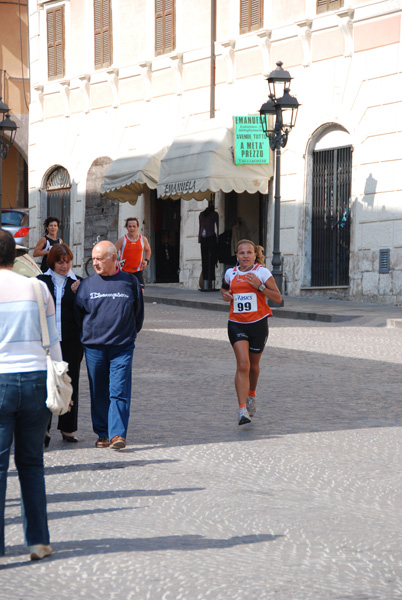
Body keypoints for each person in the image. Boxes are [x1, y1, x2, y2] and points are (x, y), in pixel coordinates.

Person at [0, 229, 61, 560]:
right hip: (37, 378)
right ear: (16, 256)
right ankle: (38, 541)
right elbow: (54, 339)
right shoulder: (38, 288)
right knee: (32, 464)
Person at [75, 240, 144, 450]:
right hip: (94, 348)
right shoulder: (86, 285)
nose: (95, 263)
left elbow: (138, 314)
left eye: (99, 259)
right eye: (93, 259)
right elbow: (79, 315)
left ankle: (117, 434)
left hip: (121, 348)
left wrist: (128, 334)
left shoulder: (129, 282)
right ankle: (102, 433)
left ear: (113, 258)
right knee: (98, 391)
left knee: (119, 390)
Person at [220, 239, 282, 425]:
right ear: (237, 256)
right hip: (236, 323)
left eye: (249, 253)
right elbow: (224, 290)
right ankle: (242, 410)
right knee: (243, 364)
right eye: (241, 253)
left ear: (255, 255)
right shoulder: (230, 273)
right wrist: (225, 295)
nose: (245, 256)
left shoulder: (261, 272)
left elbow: (278, 298)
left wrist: (259, 286)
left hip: (258, 324)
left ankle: (251, 396)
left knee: (254, 367)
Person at [37, 243, 83, 444]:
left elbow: (84, 313)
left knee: (70, 383)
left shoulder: (79, 283)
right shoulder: (40, 282)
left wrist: (77, 295)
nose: (64, 266)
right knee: (46, 384)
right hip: (45, 342)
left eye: (67, 262)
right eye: (60, 262)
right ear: (52, 262)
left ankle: (68, 428)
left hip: (72, 341)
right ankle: (43, 428)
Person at [115, 217, 151, 291]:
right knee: (125, 293)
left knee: (141, 292)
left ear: (137, 227)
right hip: (124, 271)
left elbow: (148, 250)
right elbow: (113, 252)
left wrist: (146, 260)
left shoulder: (143, 239)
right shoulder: (122, 239)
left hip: (138, 271)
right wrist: (116, 261)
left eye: (134, 226)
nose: (132, 228)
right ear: (126, 227)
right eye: (130, 226)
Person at [198, 201, 219, 290]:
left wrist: (217, 238)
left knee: (212, 260)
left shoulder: (215, 214)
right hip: (204, 238)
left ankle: (212, 281)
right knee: (205, 259)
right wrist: (199, 238)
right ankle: (206, 281)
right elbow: (200, 227)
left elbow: (218, 226)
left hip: (211, 237)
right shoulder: (201, 214)